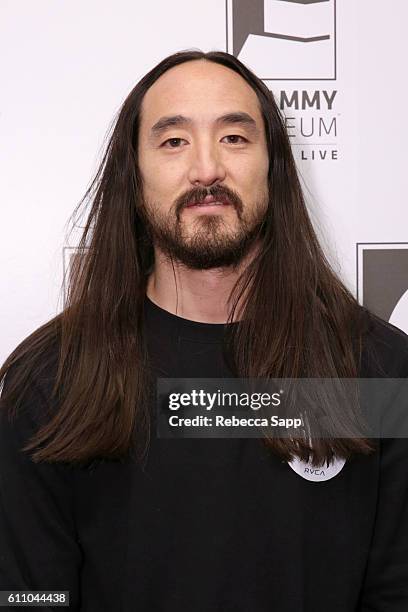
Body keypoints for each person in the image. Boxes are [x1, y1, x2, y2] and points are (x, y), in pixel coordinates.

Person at [1, 49, 407, 612]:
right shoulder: (50, 380)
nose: (207, 168)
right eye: (173, 141)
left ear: (274, 166)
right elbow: (30, 598)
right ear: (134, 174)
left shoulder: (377, 370)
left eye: (235, 138)